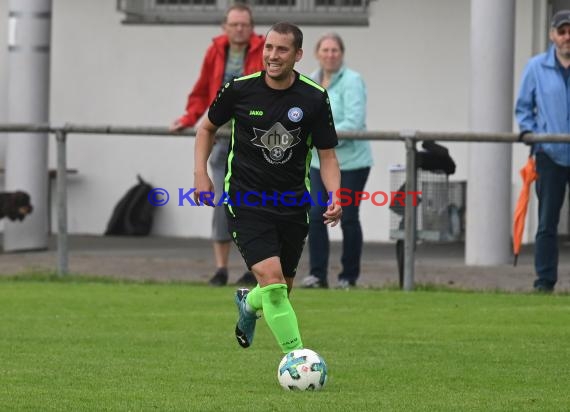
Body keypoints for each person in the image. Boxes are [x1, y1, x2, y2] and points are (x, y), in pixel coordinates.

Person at [193, 22, 342, 353]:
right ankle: (298, 358)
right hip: (245, 201)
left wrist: (334, 195)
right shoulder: (239, 89)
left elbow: (327, 155)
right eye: (269, 48)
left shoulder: (314, 97)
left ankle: (248, 304)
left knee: (281, 289)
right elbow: (206, 128)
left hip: (292, 204)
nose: (273, 56)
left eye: (282, 49)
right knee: (274, 284)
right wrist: (200, 174)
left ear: (298, 55)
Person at [170, 4, 264, 287]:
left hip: (254, 137)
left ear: (251, 27)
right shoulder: (216, 51)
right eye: (234, 24)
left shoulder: (263, 50)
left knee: (253, 203)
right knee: (223, 200)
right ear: (225, 26)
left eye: (244, 24)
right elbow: (201, 90)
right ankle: (221, 268)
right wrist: (188, 117)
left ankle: (253, 267)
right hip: (222, 136)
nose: (239, 29)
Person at [301, 33, 373, 289]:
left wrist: (320, 136)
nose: (330, 55)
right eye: (325, 50)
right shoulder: (309, 81)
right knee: (316, 213)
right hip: (320, 162)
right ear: (316, 53)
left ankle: (348, 277)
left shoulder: (353, 81)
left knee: (349, 216)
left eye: (335, 50)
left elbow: (354, 122)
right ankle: (318, 274)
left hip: (352, 162)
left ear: (341, 53)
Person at [515, 10, 570, 293]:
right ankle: (544, 280)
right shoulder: (535, 67)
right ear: (552, 35)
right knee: (547, 220)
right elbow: (524, 107)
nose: (567, 37)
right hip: (550, 153)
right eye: (562, 31)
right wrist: (532, 135)